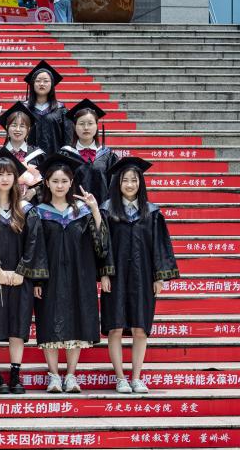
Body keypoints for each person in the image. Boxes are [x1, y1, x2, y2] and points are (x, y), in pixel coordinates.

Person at [29, 152, 112, 394]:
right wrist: (37, 279)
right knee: (49, 322)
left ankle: (71, 375)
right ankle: (54, 376)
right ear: (46, 183)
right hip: (50, 276)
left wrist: (95, 210)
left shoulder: (83, 212)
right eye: (55, 181)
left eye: (64, 181)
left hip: (79, 275)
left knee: (77, 321)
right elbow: (35, 248)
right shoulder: (39, 212)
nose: (60, 186)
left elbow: (101, 244)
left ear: (71, 182)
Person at [100, 157, 179, 395]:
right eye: (125, 180)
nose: (130, 184)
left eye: (134, 180)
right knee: (115, 327)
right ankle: (120, 378)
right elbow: (102, 245)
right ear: (118, 183)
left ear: (140, 183)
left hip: (143, 276)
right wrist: (104, 273)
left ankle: (136, 378)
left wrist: (159, 276)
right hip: (115, 276)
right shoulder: (107, 210)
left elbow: (159, 246)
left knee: (140, 328)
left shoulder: (151, 212)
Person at [0, 149, 45, 395]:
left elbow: (34, 243)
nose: (4, 179)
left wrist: (22, 271)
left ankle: (15, 374)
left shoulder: (26, 210)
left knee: (18, 324)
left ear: (16, 178)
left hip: (19, 277)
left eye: (9, 174)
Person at [61, 99, 118, 206]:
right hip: (73, 210)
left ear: (96, 126)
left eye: (90, 123)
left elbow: (114, 187)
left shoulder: (108, 155)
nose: (86, 128)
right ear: (74, 127)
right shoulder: (66, 154)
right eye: (81, 124)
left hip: (102, 210)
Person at [0, 102, 46, 203]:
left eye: (22, 126)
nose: (17, 129)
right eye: (14, 125)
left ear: (28, 129)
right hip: (2, 204)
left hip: (30, 206)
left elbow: (48, 180)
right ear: (7, 127)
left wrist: (34, 191)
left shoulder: (38, 155)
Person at [24, 61, 68, 157]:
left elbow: (67, 140)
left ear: (52, 84)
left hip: (54, 160)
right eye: (38, 81)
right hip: (29, 160)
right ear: (32, 84)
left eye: (46, 81)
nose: (41, 84)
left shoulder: (61, 109)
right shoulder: (24, 109)